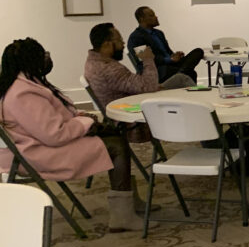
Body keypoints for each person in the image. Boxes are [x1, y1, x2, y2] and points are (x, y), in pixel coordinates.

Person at [0, 38, 144, 232]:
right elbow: (54, 134)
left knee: (115, 137)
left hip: (42, 147)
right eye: (43, 55)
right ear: (30, 60)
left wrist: (79, 117)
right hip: (40, 154)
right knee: (116, 145)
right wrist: (85, 123)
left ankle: (128, 204)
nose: (47, 59)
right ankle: (122, 215)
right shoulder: (22, 94)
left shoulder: (23, 84)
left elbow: (51, 120)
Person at [84, 23, 194, 110]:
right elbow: (149, 86)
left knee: (180, 78)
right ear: (106, 44)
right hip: (135, 105)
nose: (123, 44)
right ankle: (205, 118)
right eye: (119, 40)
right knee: (183, 79)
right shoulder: (110, 69)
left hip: (133, 97)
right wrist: (147, 58)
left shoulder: (92, 62)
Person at [127, 6, 204, 83]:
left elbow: (167, 52)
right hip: (157, 69)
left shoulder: (159, 33)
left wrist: (175, 55)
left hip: (171, 65)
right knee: (191, 73)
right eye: (151, 15)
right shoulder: (136, 37)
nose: (156, 17)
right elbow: (146, 60)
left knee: (198, 51)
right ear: (141, 19)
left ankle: (181, 72)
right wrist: (170, 59)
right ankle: (182, 72)